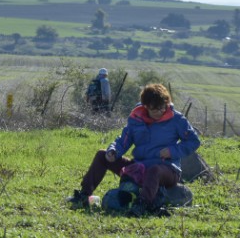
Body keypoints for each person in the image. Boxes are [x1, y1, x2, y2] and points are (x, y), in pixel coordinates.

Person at [67, 83, 200, 216]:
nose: (160, 112)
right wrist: (113, 151)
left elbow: (194, 141)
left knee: (154, 170)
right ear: (146, 106)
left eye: (162, 108)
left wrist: (172, 151)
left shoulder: (177, 119)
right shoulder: (136, 118)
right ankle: (84, 195)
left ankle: (143, 205)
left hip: (167, 169)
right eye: (155, 109)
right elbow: (124, 140)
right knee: (102, 155)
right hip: (139, 167)